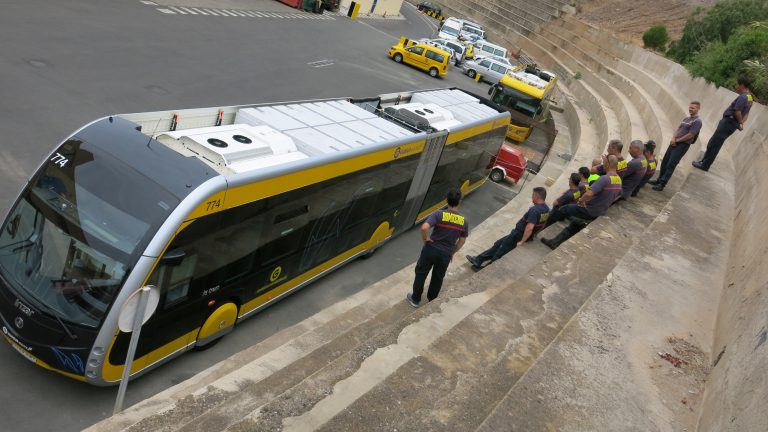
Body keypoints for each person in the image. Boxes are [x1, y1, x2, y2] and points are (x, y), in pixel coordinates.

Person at [540, 155, 623, 249]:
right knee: (575, 225)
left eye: (604, 162)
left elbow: (588, 194)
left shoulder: (605, 178)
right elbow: (619, 194)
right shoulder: (618, 180)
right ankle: (554, 243)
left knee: (562, 209)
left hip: (589, 210)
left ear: (608, 164)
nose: (603, 164)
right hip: (599, 211)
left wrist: (581, 201)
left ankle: (541, 228)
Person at [407, 188, 468, 308]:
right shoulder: (463, 221)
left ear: (447, 200)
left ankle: (415, 299)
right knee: (438, 278)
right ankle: (432, 301)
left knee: (421, 274)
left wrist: (426, 239)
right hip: (445, 253)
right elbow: (462, 241)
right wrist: (452, 251)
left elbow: (424, 228)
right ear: (460, 202)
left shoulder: (439, 214)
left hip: (430, 249)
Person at [465, 187, 549, 270]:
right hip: (518, 234)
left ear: (536, 196)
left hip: (518, 235)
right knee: (498, 244)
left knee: (500, 252)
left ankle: (484, 270)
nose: (532, 197)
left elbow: (530, 227)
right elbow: (543, 223)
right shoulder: (546, 209)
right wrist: (535, 234)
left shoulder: (535, 210)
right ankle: (478, 260)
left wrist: (522, 241)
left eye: (533, 195)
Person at [693, 77, 754, 171]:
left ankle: (704, 164)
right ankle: (704, 162)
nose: (736, 86)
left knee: (713, 144)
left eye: (738, 84)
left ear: (742, 85)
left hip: (728, 122)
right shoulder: (749, 97)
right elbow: (746, 113)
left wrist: (740, 122)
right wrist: (741, 123)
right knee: (716, 144)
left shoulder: (742, 97)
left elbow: (737, 111)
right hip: (732, 124)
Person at [649, 102, 702, 191]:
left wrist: (677, 140)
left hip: (682, 145)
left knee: (671, 164)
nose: (690, 109)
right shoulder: (686, 118)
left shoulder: (697, 121)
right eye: (690, 107)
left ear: (698, 109)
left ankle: (662, 184)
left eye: (693, 108)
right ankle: (658, 180)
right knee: (665, 162)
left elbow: (690, 135)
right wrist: (673, 138)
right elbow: (678, 129)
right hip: (674, 143)